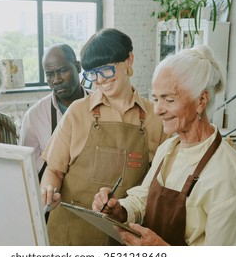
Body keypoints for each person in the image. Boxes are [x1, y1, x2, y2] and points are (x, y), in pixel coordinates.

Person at [92, 44, 236, 246]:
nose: (158, 110)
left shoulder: (227, 175)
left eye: (169, 99)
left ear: (201, 100)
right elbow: (144, 198)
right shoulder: (169, 148)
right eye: (156, 98)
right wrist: (120, 209)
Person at [40, 28, 167, 245]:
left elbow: (157, 187)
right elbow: (53, 170)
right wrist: (48, 192)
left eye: (107, 70)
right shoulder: (77, 112)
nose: (100, 80)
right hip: (71, 235)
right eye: (92, 73)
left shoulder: (156, 119)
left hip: (123, 237)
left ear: (129, 60)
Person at [18, 44, 90, 179]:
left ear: (78, 67)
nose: (57, 80)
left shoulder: (101, 106)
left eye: (63, 70)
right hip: (53, 195)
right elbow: (29, 170)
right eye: (50, 75)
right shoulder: (34, 117)